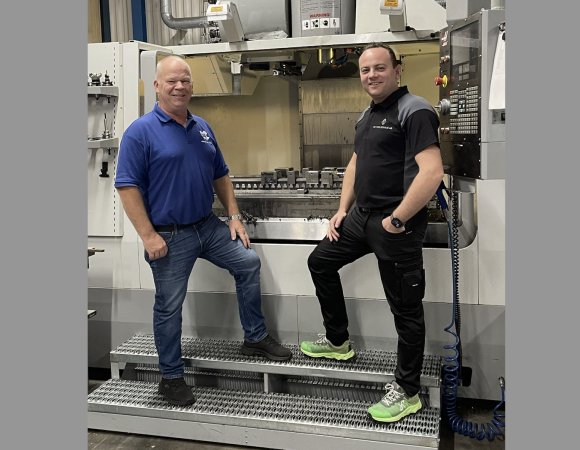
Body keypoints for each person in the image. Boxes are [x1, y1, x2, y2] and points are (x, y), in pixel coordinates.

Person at [114, 55, 291, 407]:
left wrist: (234, 216)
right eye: (172, 81)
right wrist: (148, 236)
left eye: (185, 80)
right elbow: (126, 186)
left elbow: (220, 175)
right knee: (169, 305)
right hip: (169, 234)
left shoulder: (202, 128)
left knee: (247, 263)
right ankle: (171, 377)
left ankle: (254, 337)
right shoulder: (140, 132)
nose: (180, 86)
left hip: (207, 226)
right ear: (157, 86)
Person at [299, 43, 444, 423]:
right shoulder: (367, 114)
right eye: (365, 70)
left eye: (379, 68)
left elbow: (432, 171)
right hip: (361, 218)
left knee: (405, 310)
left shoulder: (415, 110)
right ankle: (338, 341)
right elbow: (355, 164)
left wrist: (397, 219)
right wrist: (342, 210)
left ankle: (408, 391)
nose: (371, 75)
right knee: (320, 262)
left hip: (396, 225)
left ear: (397, 69)